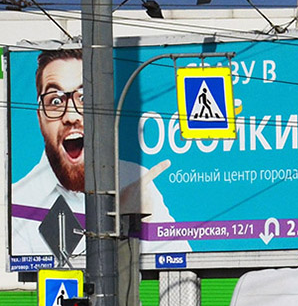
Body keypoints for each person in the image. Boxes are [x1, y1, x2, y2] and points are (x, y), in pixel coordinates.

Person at [10, 48, 187, 260]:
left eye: (84, 97)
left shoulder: (135, 179)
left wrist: (141, 223)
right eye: (55, 101)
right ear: (40, 118)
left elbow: (180, 265)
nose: (71, 116)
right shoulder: (18, 202)